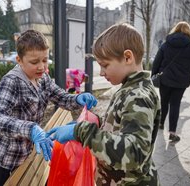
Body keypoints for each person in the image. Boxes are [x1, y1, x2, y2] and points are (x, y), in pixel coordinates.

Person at [47, 23, 161, 185]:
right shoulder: (131, 89)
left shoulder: (137, 96)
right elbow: (122, 126)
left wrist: (83, 132)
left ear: (128, 57)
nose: (101, 72)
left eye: (105, 65)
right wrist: (97, 122)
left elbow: (135, 152)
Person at [0, 30, 97, 186]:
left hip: (30, 156)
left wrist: (77, 98)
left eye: (45, 60)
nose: (41, 67)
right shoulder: (11, 81)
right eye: (34, 62)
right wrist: (30, 129)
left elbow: (61, 97)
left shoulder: (42, 78)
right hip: (8, 163)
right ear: (19, 60)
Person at [151, 21, 190, 142]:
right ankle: (172, 132)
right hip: (181, 82)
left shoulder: (166, 44)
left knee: (164, 102)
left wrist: (153, 75)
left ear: (175, 30)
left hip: (165, 79)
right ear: (189, 32)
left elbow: (157, 61)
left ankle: (161, 123)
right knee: (175, 104)